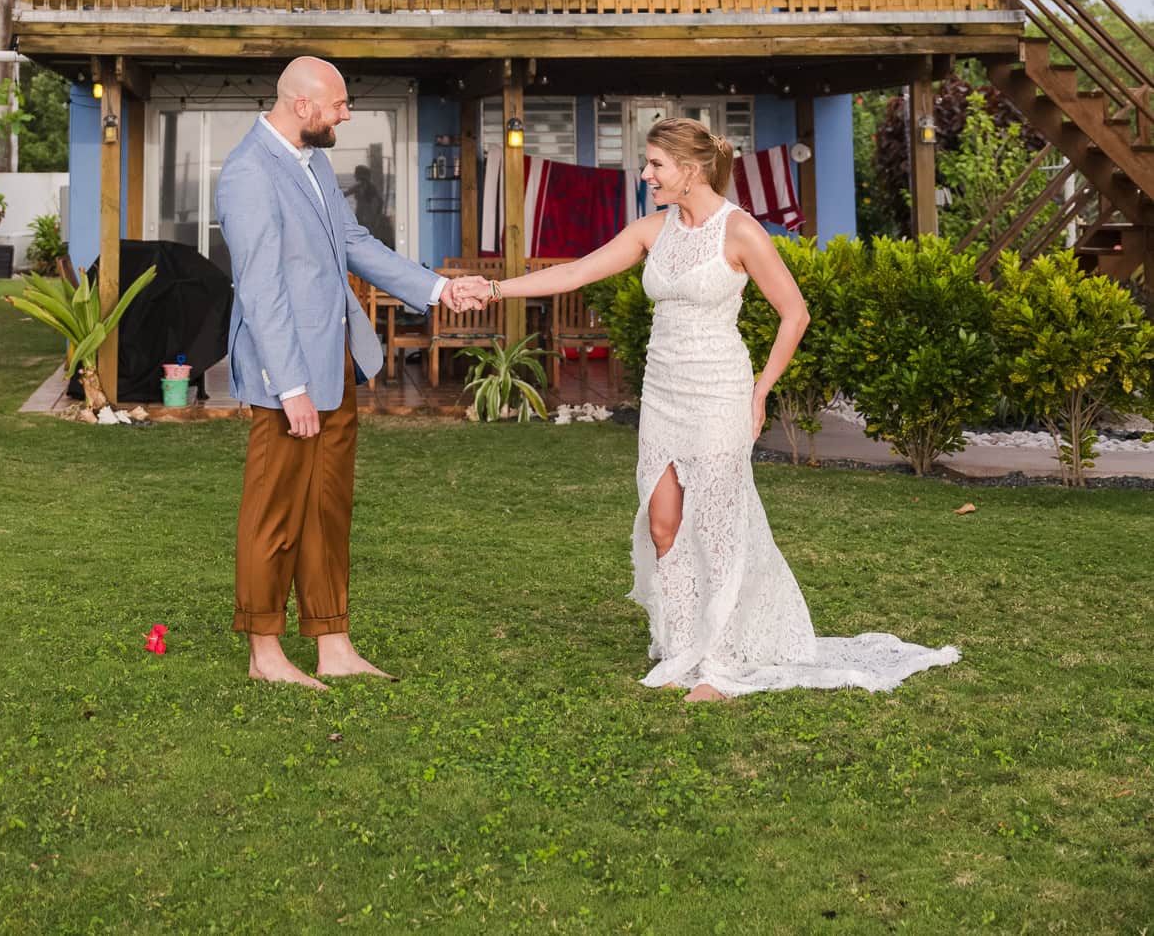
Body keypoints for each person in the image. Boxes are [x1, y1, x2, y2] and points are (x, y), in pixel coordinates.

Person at [477, 117, 959, 702]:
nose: (646, 173)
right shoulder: (653, 229)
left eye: (656, 164)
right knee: (663, 525)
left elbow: (795, 313)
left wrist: (760, 390)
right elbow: (580, 270)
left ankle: (721, 665)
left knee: (718, 529)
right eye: (648, 163)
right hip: (661, 393)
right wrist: (495, 289)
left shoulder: (740, 231)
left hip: (718, 394)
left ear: (691, 170)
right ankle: (684, 644)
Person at [215, 55, 481, 690]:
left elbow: (355, 244)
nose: (347, 113)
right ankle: (265, 654)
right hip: (290, 375)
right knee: (275, 512)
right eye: (338, 104)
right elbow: (261, 287)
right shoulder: (249, 172)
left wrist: (439, 289)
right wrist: (291, 387)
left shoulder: (312, 165)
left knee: (327, 510)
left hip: (333, 361)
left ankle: (333, 642)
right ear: (302, 106)